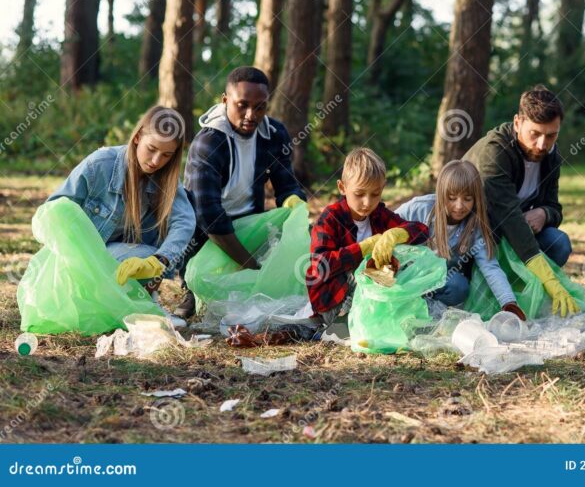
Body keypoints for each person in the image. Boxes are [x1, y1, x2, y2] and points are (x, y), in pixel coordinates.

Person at [48, 106, 195, 328]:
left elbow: (184, 221)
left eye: (166, 155)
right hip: (85, 256)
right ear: (137, 138)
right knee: (124, 262)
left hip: (128, 254)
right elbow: (56, 208)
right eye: (152, 149)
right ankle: (131, 307)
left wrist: (160, 260)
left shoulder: (167, 178)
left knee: (147, 257)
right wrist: (72, 253)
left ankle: (141, 304)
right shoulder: (100, 164)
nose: (156, 161)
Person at [178, 66, 306, 318]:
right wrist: (250, 266)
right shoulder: (208, 143)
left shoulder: (274, 134)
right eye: (242, 105)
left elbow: (287, 184)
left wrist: (293, 202)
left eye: (260, 107)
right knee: (204, 283)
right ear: (225, 101)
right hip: (205, 234)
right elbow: (208, 214)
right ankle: (190, 290)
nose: (251, 115)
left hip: (251, 222)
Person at [463, 85, 579, 317]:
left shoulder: (551, 156)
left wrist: (544, 213)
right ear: (517, 123)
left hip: (513, 237)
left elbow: (554, 207)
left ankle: (526, 293)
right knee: (456, 288)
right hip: (475, 238)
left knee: (559, 242)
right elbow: (509, 217)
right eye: (534, 134)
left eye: (551, 135)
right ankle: (485, 293)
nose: (542, 144)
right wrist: (550, 279)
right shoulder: (495, 152)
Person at [306, 148, 429, 339]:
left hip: (371, 295)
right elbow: (320, 265)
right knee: (360, 270)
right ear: (342, 187)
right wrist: (363, 247)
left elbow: (421, 231)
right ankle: (339, 325)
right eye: (359, 194)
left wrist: (397, 234)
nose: (367, 202)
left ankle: (386, 318)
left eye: (375, 194)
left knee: (404, 263)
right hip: (334, 300)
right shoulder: (330, 218)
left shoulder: (379, 215)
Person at [395, 160, 526, 320]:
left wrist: (509, 303)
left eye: (467, 199)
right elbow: (387, 226)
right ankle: (406, 305)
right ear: (441, 193)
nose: (459, 206)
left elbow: (490, 267)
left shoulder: (475, 226)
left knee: (459, 286)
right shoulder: (419, 208)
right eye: (451, 198)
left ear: (476, 199)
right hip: (408, 275)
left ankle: (427, 309)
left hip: (439, 282)